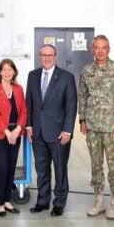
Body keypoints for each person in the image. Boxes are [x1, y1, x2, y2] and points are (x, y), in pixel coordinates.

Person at [78, 35, 114, 220]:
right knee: (96, 165)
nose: (100, 51)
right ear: (92, 50)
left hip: (111, 127)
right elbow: (83, 96)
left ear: (109, 49)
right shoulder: (86, 71)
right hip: (92, 126)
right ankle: (99, 201)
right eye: (97, 48)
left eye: (104, 48)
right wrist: (82, 119)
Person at [25, 44, 76, 217]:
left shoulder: (66, 77)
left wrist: (68, 130)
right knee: (41, 169)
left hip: (58, 133)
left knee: (60, 169)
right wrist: (29, 126)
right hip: (38, 132)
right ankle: (42, 200)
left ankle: (59, 203)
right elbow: (29, 104)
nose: (47, 58)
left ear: (55, 57)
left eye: (50, 55)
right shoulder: (32, 76)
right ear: (40, 56)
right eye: (43, 55)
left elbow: (71, 106)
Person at [0, 59, 28, 216]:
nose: (7, 73)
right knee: (2, 167)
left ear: (14, 72)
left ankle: (7, 201)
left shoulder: (18, 89)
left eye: (10, 70)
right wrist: (7, 132)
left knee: (11, 167)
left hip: (16, 133)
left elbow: (24, 110)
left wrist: (18, 129)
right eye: (4, 70)